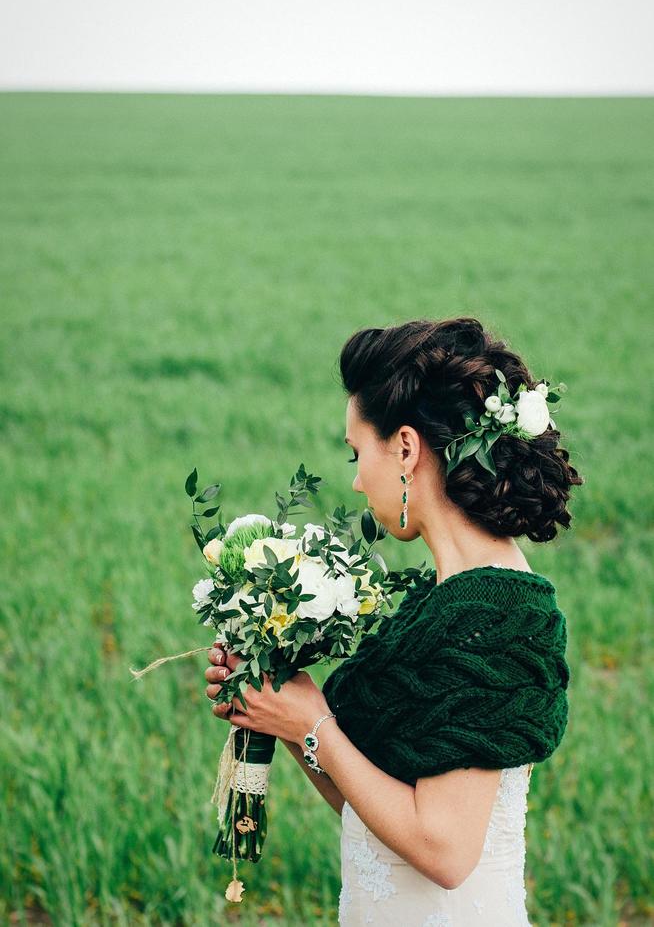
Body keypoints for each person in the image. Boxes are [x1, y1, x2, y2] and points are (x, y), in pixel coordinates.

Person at [204, 317, 582, 925]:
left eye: (357, 453)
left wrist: (314, 723)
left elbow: (445, 852)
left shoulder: (495, 613)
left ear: (405, 448)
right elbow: (374, 810)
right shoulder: (439, 599)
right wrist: (283, 713)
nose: (355, 479)